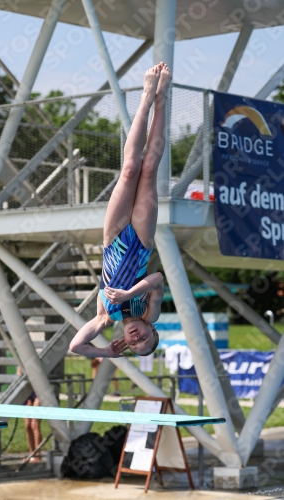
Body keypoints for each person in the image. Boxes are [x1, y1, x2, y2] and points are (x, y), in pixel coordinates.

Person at [70, 63, 170, 358]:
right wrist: (128, 295)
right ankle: (159, 98)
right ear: (152, 331)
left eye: (134, 346)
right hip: (140, 243)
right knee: (148, 169)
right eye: (145, 340)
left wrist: (106, 353)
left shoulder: (106, 315)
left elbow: (76, 347)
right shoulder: (148, 315)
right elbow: (158, 280)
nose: (138, 339)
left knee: (129, 169)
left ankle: (145, 95)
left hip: (113, 240)